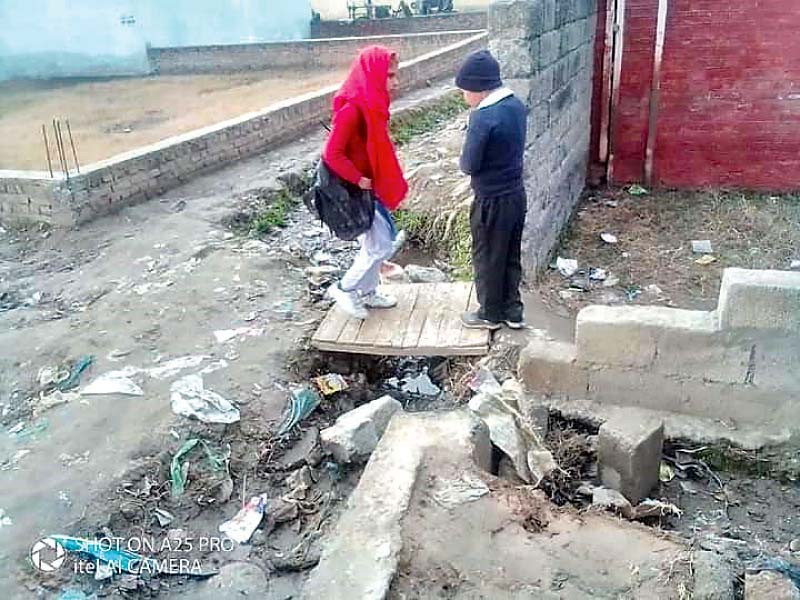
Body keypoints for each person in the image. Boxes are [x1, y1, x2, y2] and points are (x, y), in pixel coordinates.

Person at [322, 46, 408, 320]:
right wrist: (359, 179)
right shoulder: (352, 110)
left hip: (369, 188)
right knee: (380, 245)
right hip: (358, 190)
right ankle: (344, 288)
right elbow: (331, 154)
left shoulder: (372, 104)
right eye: (390, 76)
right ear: (373, 75)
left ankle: (368, 292)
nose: (396, 83)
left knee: (377, 242)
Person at [456, 49, 528, 330]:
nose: (465, 97)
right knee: (510, 253)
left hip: (490, 200)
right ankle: (513, 310)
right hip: (515, 194)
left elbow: (469, 164)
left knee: (487, 256)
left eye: (465, 91)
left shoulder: (482, 117)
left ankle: (489, 314)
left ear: (479, 88)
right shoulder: (516, 105)